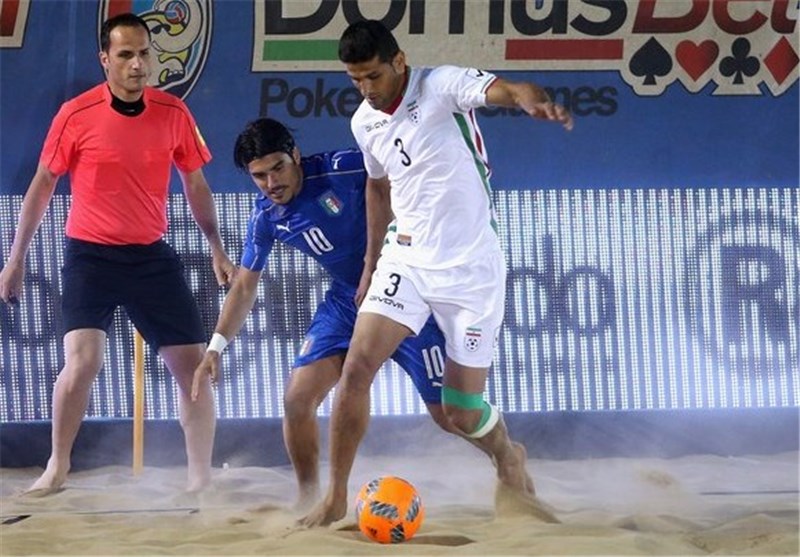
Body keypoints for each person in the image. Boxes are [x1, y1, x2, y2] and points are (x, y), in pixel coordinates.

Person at [298, 20, 573, 527]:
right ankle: (336, 497)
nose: (366, 89)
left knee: (460, 412)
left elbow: (509, 89)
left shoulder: (439, 84)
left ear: (399, 61)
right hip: (406, 259)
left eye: (374, 76)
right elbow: (377, 190)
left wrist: (532, 101)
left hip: (471, 269)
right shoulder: (365, 122)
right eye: (356, 80)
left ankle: (508, 454)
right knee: (356, 369)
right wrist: (370, 264)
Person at [192, 118, 532, 511]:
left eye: (278, 168)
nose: (271, 183)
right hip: (348, 301)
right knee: (297, 399)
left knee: (449, 415)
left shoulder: (349, 169)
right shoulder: (266, 217)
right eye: (259, 176)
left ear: (296, 156)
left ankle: (507, 452)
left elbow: (403, 182)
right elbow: (245, 286)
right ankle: (310, 499)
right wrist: (216, 347)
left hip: (407, 292)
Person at [0, 13, 235, 493]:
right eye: (125, 55)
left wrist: (216, 247)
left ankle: (200, 478)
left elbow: (196, 184)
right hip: (90, 256)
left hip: (151, 255)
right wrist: (15, 258)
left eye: (144, 53)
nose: (137, 64)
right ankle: (57, 466)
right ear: (105, 59)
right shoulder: (75, 114)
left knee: (193, 367)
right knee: (83, 360)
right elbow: (43, 185)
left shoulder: (174, 113)